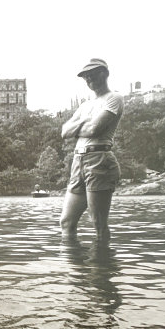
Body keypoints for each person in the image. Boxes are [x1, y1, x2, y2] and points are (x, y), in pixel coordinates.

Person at [60, 58, 124, 245]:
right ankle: (76, 273)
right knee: (66, 222)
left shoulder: (114, 98)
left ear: (104, 74)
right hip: (78, 161)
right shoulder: (85, 106)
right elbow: (64, 132)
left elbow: (94, 129)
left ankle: (101, 271)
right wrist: (85, 121)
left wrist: (79, 125)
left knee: (98, 223)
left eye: (93, 75)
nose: (89, 79)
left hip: (99, 160)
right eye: (86, 77)